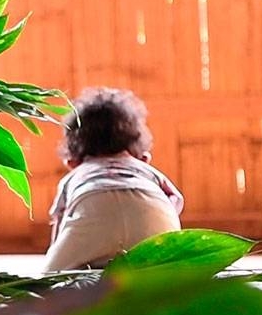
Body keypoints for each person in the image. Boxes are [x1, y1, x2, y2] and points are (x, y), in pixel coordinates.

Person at [43, 87, 183, 272]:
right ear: (144, 157)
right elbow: (175, 198)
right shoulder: (146, 170)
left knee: (50, 279)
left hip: (92, 207)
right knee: (165, 267)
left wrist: (54, 259)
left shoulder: (77, 175)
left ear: (72, 162)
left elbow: (59, 218)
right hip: (153, 222)